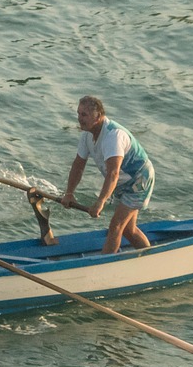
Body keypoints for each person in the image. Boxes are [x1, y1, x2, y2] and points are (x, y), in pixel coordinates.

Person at [59, 95, 156, 253]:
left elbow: (113, 173)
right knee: (128, 230)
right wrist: (69, 193)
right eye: (78, 114)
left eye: (84, 115)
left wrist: (100, 202)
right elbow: (78, 165)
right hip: (122, 183)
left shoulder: (113, 136)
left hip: (139, 180)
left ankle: (105, 265)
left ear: (98, 116)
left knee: (115, 226)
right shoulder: (86, 135)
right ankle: (151, 257)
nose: (79, 119)